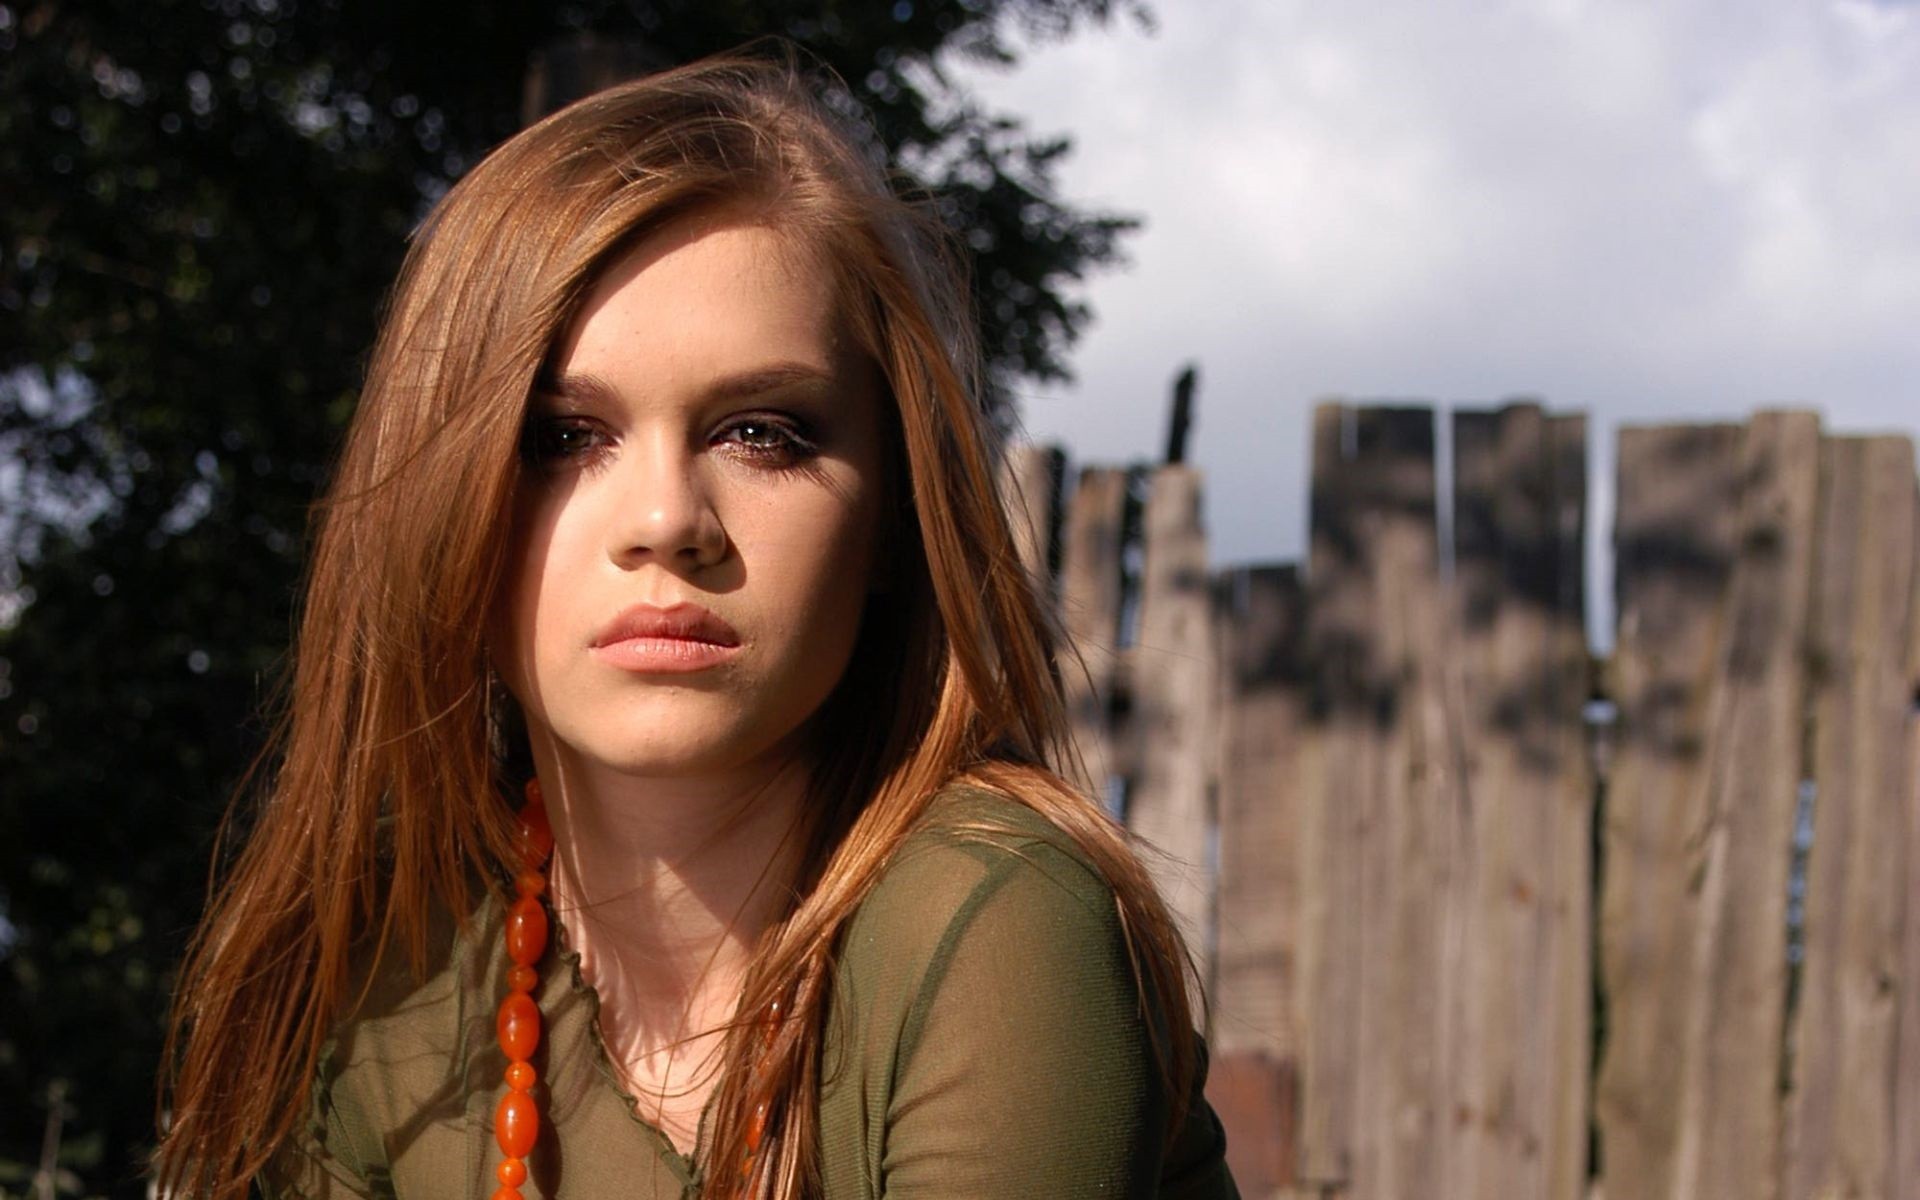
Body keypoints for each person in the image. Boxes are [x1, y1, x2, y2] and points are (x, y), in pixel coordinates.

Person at [154, 41, 1240, 1200]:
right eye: (563, 437)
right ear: (441, 503)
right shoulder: (391, 1006)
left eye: (762, 433)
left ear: (893, 517)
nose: (667, 521)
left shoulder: (998, 925)